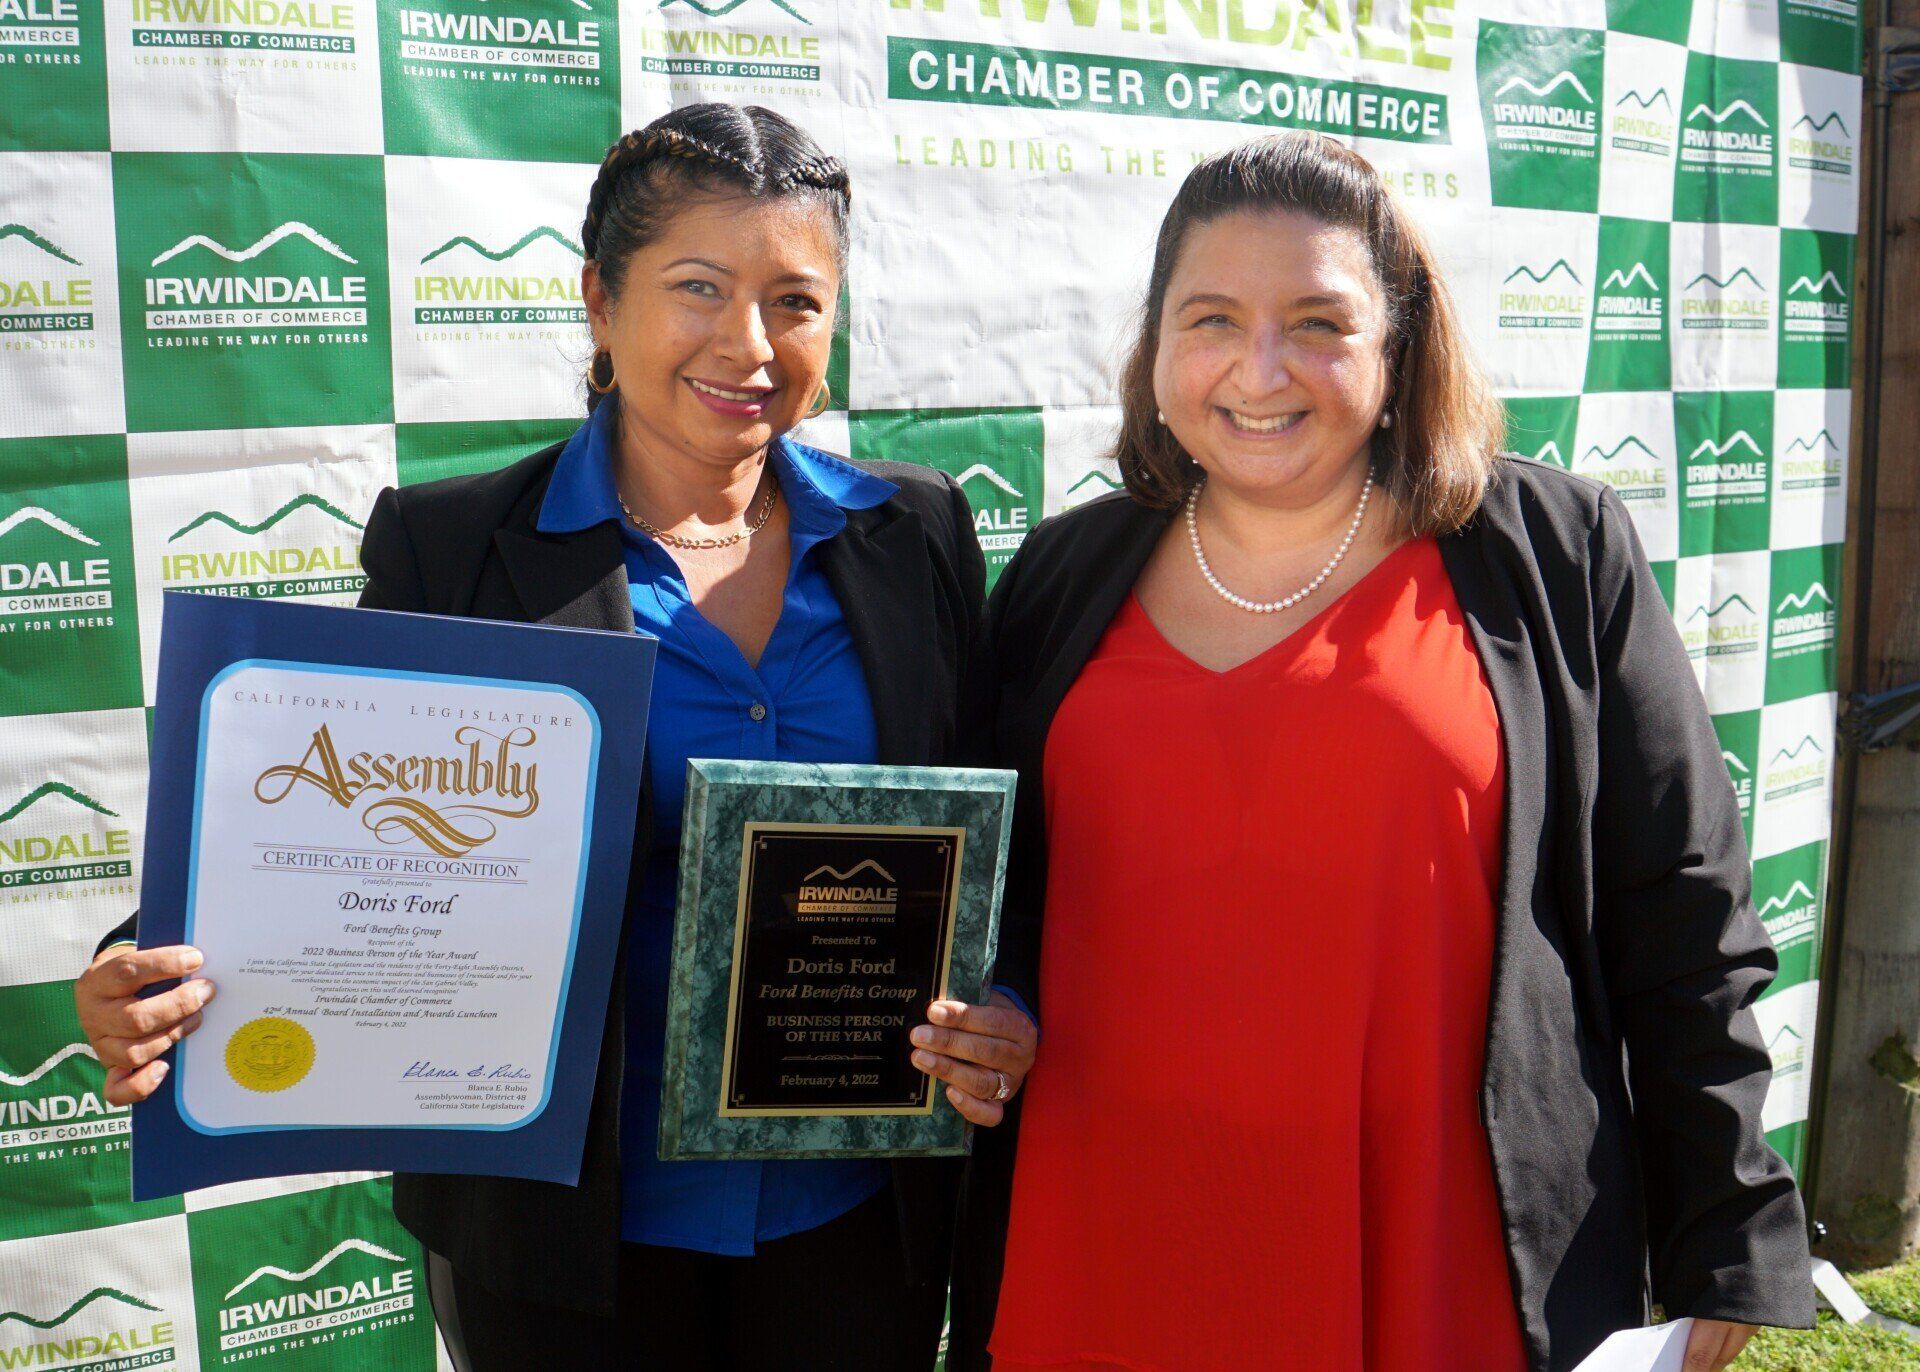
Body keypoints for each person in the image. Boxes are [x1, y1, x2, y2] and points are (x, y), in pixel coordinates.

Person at [75, 102, 1037, 1371]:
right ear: (600, 299)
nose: (751, 343)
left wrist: (1005, 1002)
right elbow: (319, 823)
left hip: (854, 1221)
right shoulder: (455, 548)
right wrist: (147, 969)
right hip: (564, 1238)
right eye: (699, 287)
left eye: (796, 300)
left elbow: (992, 834)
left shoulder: (914, 536)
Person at [949, 132, 1814, 1372]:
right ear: (1156, 349)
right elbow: (1006, 899)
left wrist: (1724, 1237)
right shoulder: (1055, 577)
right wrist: (1000, 1007)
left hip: (1440, 1243)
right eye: (1211, 319)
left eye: (1318, 321)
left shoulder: (1554, 554)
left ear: (1399, 347)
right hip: (1109, 1230)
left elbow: (1683, 917)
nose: (1260, 368)